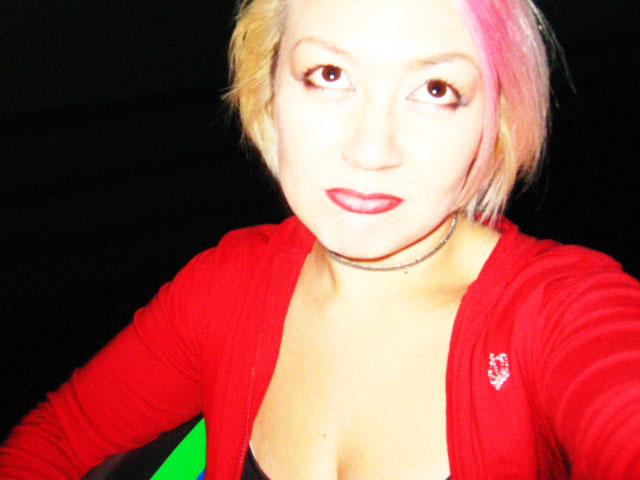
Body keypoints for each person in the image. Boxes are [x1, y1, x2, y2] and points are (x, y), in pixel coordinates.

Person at [1, 0, 639, 478]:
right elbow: (54, 440)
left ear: (496, 119)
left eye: (436, 90)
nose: (370, 150)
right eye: (330, 74)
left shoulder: (560, 311)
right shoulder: (228, 286)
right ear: (269, 88)